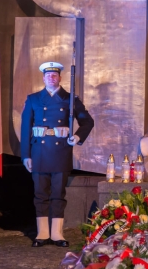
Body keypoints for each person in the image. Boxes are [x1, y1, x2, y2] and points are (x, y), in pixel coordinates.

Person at [21, 62, 94, 247]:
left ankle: (57, 234)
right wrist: (25, 156)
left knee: (58, 194)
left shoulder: (70, 100)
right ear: (43, 78)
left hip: (60, 152)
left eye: (55, 75)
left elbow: (87, 122)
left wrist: (77, 137)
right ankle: (42, 233)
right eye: (48, 75)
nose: (51, 78)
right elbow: (25, 129)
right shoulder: (34, 99)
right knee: (40, 194)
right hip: (39, 152)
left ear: (60, 78)